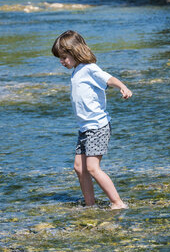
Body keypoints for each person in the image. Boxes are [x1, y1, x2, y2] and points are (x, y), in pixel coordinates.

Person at [52, 30, 132, 210]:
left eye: (64, 57)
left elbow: (108, 78)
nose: (61, 62)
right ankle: (90, 205)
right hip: (85, 129)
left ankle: (118, 203)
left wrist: (122, 87)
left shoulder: (89, 68)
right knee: (79, 167)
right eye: (60, 58)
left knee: (93, 168)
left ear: (75, 52)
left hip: (97, 127)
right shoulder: (76, 71)